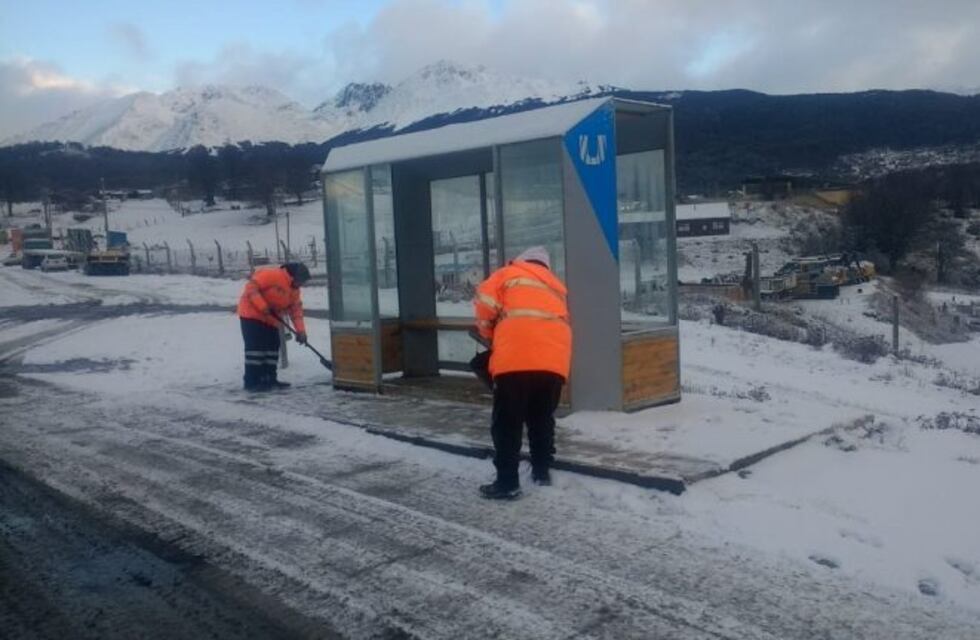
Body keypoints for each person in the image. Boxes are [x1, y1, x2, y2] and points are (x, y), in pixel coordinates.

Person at [473, 246, 572, 500]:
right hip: (552, 364)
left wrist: (489, 334)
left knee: (508, 422)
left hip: (515, 360)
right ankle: (541, 471)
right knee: (541, 419)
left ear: (522, 260)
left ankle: (507, 483)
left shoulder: (509, 273)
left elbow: (485, 303)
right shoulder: (557, 289)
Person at [236, 262, 310, 391]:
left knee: (272, 347)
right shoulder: (272, 275)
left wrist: (301, 331)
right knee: (256, 350)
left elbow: (296, 310)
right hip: (251, 315)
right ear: (295, 276)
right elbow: (251, 288)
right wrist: (263, 306)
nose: (301, 285)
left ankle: (269, 379)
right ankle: (252, 382)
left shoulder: (294, 290)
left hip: (271, 319)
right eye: (301, 281)